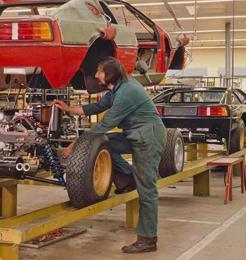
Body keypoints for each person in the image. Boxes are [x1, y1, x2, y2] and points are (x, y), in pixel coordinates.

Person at [52, 57, 166, 253]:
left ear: (109, 75)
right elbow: (96, 108)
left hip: (149, 138)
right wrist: (68, 108)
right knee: (103, 146)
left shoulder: (126, 93)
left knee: (147, 189)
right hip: (134, 134)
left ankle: (147, 239)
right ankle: (127, 179)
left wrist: (77, 143)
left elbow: (104, 125)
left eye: (99, 72)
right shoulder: (118, 88)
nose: (96, 75)